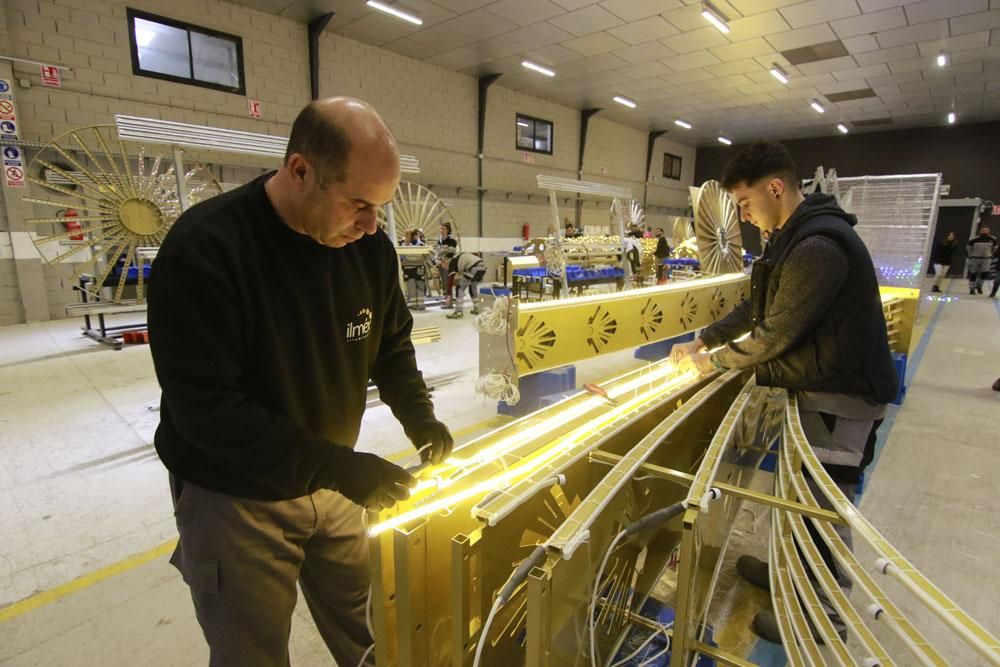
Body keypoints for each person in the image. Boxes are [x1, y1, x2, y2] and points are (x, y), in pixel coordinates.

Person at [147, 97, 455, 667]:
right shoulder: (206, 251)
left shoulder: (369, 250)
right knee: (252, 654)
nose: (370, 226)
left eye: (380, 209)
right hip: (236, 498)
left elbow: (389, 343)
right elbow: (210, 413)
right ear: (299, 171)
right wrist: (342, 468)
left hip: (333, 483)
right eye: (359, 204)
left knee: (375, 635)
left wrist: (419, 417)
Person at [670, 141, 897, 644]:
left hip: (843, 397)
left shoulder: (819, 248)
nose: (744, 218)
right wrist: (703, 339)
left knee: (822, 506)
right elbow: (756, 308)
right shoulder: (788, 240)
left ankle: (824, 616)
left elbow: (774, 334)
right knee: (796, 498)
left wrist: (714, 363)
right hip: (816, 386)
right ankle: (790, 575)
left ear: (775, 188)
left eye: (746, 204)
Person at [442, 251, 486, 319]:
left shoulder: (452, 262)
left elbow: (450, 280)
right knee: (472, 287)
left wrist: (448, 295)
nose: (444, 266)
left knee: (459, 288)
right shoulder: (458, 257)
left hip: (473, 268)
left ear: (447, 259)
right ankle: (477, 308)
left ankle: (458, 312)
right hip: (483, 267)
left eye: (444, 263)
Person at [400, 228, 428, 310]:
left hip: (408, 269)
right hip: (419, 268)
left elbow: (401, 257)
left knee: (411, 287)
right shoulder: (422, 245)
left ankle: (413, 305)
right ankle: (421, 304)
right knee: (420, 286)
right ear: (416, 235)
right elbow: (426, 256)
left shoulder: (403, 245)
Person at [966, 224, 997, 295]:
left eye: (986, 230)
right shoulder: (974, 239)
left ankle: (979, 286)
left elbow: (995, 248)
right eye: (983, 230)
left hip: (986, 259)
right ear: (980, 231)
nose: (985, 232)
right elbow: (969, 248)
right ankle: (972, 289)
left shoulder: (993, 239)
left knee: (985, 272)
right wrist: (970, 256)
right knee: (973, 273)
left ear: (989, 231)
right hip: (975, 258)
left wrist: (991, 255)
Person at [436, 222, 459, 308]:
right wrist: (437, 260)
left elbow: (452, 252)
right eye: (441, 229)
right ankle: (446, 300)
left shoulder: (452, 239)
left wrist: (444, 260)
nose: (441, 230)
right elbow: (438, 252)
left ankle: (449, 303)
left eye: (443, 229)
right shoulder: (440, 239)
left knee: (448, 284)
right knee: (444, 283)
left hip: (448, 264)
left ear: (448, 230)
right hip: (441, 264)